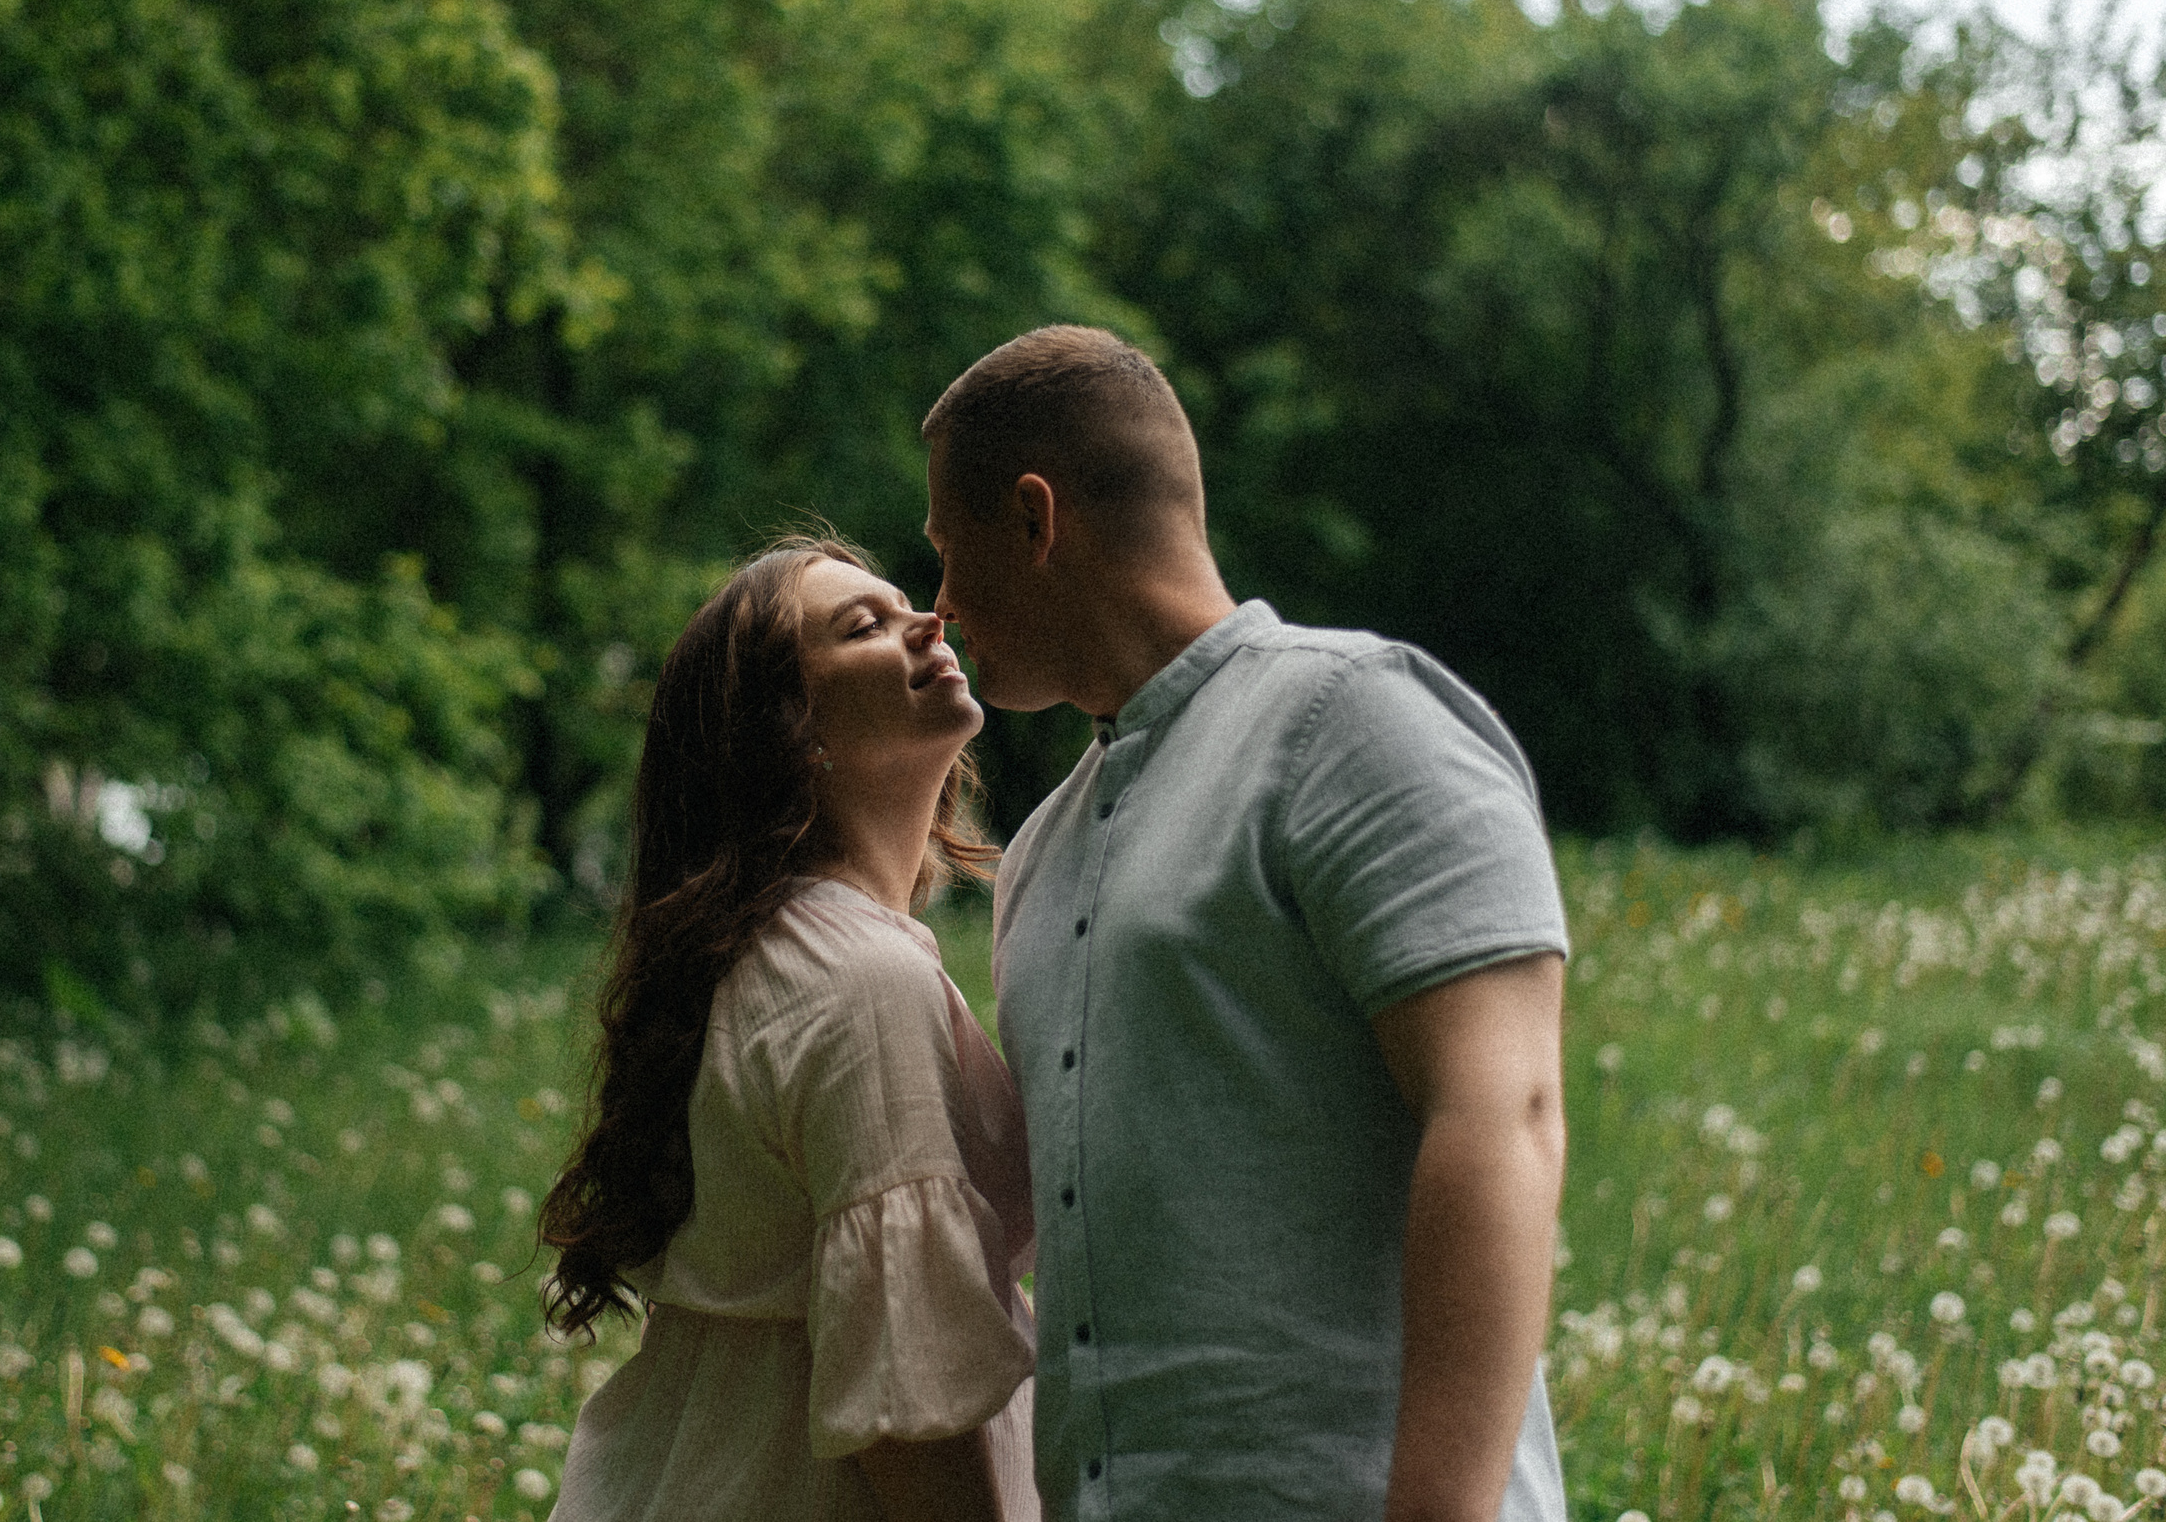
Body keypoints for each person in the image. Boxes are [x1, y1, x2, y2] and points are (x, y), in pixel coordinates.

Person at [920, 326, 1570, 1522]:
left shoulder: (1353, 721)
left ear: (1033, 516)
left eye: (949, 555)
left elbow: (1502, 1112)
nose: (943, 607)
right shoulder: (1039, 853)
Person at [539, 537, 1043, 1522]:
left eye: (905, 603)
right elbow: (903, 1410)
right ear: (790, 730)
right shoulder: (857, 977)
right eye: (863, 624)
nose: (926, 621)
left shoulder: (786, 950)